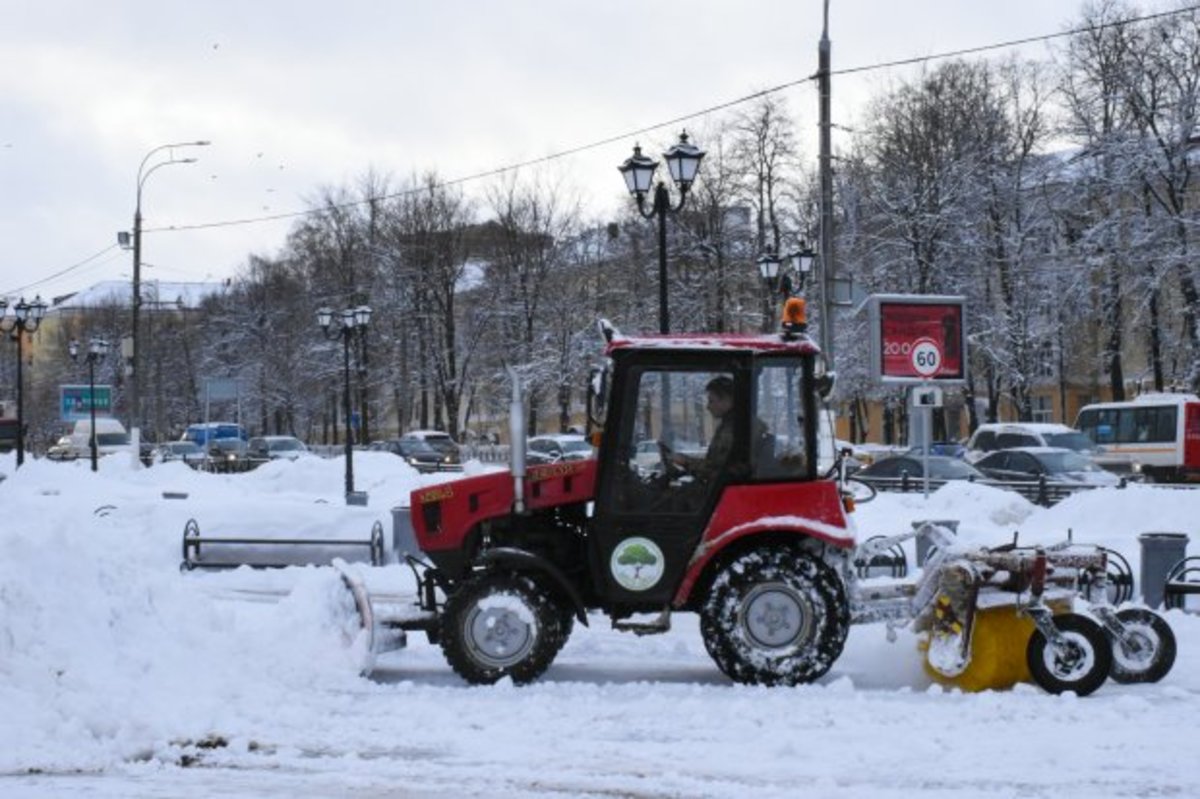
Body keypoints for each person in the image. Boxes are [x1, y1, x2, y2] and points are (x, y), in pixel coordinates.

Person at [671, 375, 768, 480]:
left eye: (711, 401)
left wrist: (686, 462)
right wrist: (686, 461)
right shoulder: (733, 424)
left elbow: (720, 472)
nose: (708, 406)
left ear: (727, 399)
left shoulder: (738, 429)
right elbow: (715, 463)